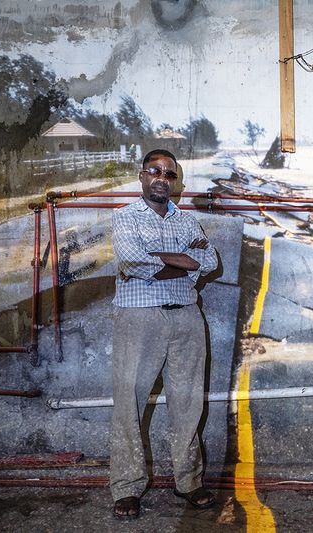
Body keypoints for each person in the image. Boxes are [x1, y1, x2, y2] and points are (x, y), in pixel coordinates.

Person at [110, 149, 219, 520]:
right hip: (139, 319)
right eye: (154, 171)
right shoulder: (125, 216)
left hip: (187, 318)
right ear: (142, 176)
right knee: (129, 403)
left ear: (176, 182)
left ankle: (188, 481)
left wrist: (158, 259)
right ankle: (127, 487)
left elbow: (210, 261)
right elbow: (131, 261)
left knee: (188, 402)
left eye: (169, 174)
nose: (162, 178)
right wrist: (185, 261)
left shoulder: (186, 221)